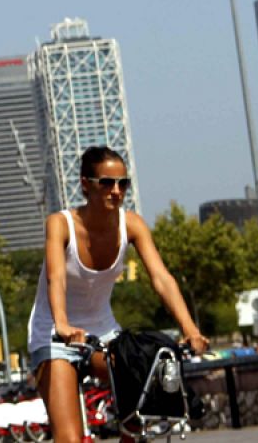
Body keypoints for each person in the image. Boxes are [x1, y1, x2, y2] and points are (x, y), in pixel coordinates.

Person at [29, 146, 210, 443]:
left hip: (103, 331)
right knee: (70, 438)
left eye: (123, 183)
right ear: (86, 184)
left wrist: (190, 329)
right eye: (107, 183)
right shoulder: (60, 225)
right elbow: (56, 277)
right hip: (54, 333)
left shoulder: (132, 224)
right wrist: (62, 324)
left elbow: (161, 278)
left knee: (142, 379)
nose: (116, 191)